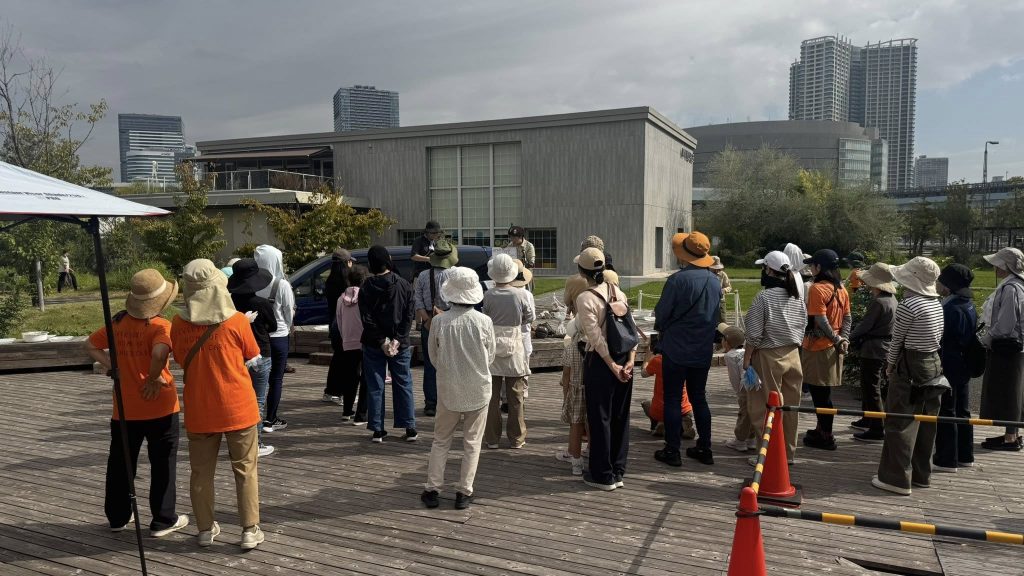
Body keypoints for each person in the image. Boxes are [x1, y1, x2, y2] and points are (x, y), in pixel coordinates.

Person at [85, 268, 188, 537]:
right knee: (162, 464)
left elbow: (90, 345)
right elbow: (160, 352)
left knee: (121, 463)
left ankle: (118, 516)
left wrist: (111, 366)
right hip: (160, 405)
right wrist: (153, 377)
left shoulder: (117, 324)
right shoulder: (161, 325)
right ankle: (163, 519)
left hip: (125, 406)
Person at [170, 259, 264, 549]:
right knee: (245, 469)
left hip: (200, 407)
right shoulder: (237, 321)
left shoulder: (178, 324)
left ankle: (204, 529)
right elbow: (252, 354)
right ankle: (249, 530)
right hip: (238, 405)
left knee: (201, 473)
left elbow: (180, 358)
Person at [420, 267, 496, 511]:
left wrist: (449, 369)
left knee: (441, 440)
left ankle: (433, 488)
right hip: (478, 387)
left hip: (448, 387)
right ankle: (464, 491)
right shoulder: (484, 322)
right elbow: (490, 356)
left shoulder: (439, 322)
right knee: (472, 443)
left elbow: (433, 357)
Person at [873, 256, 945, 496]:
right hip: (933, 362)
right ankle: (921, 475)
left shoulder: (909, 305)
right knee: (926, 421)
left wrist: (890, 365)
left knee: (900, 421)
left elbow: (897, 341)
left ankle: (896, 478)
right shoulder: (936, 303)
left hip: (910, 364)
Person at [654, 232, 720, 466]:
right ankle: (705, 447)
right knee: (699, 397)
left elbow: (662, 314)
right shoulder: (715, 281)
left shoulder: (677, 280)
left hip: (676, 348)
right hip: (702, 348)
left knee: (672, 398)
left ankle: (672, 450)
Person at [575, 247, 638, 490]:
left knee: (600, 416)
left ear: (582, 271)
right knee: (621, 415)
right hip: (625, 356)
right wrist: (630, 360)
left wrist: (612, 365)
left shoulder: (585, 298)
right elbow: (630, 329)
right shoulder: (617, 291)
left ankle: (602, 474)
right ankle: (618, 469)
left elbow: (596, 338)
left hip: (601, 362)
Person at [743, 251, 805, 463]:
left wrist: (747, 359)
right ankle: (788, 453)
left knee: (765, 407)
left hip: (769, 355)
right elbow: (803, 325)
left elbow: (753, 334)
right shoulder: (796, 295)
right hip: (793, 354)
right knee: (790, 407)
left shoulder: (763, 297)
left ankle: (769, 457)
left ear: (768, 270)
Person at [359, 246, 417, 443]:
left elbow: (366, 318)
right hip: (400, 342)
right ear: (388, 259)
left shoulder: (366, 287)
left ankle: (378, 429)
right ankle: (410, 427)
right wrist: (397, 339)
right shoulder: (404, 284)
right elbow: (409, 316)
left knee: (375, 384)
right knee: (403, 383)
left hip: (373, 342)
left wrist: (382, 341)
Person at [801, 249, 852, 451]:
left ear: (819, 267)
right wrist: (843, 338)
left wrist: (837, 339)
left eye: (813, 265)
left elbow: (820, 320)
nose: (811, 268)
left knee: (820, 395)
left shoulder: (817, 288)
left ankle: (826, 435)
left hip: (819, 347)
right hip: (834, 348)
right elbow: (847, 317)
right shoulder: (841, 289)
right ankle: (821, 428)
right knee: (824, 393)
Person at [482, 254, 535, 449]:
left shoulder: (488, 294)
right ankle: (517, 438)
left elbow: (485, 317)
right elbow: (530, 317)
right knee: (516, 396)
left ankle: (492, 438)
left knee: (492, 397)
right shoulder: (520, 294)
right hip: (515, 343)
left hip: (493, 345)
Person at [228, 258, 278, 458]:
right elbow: (273, 326)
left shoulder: (229, 303)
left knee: (237, 399)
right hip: (260, 352)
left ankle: (237, 442)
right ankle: (255, 443)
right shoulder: (261, 303)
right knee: (257, 400)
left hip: (235, 354)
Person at [932, 264, 978, 470]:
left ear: (948, 286)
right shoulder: (968, 305)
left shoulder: (950, 309)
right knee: (963, 410)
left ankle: (946, 458)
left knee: (947, 410)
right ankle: (965, 454)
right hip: (964, 362)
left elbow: (943, 338)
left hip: (950, 362)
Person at [979, 247, 1024, 451]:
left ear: (1005, 266)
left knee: (1009, 391)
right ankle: (1012, 434)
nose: (995, 268)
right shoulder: (1019, 285)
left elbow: (1005, 324)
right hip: (1018, 347)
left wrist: (986, 339)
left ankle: (1011, 438)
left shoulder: (1010, 288)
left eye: (997, 264)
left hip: (1008, 348)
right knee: (1015, 390)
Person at [849, 263, 898, 443]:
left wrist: (847, 338)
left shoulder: (878, 302)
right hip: (884, 347)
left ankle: (877, 427)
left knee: (871, 387)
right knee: (870, 385)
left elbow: (865, 326)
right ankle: (868, 418)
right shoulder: (892, 299)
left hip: (873, 349)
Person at [414, 238, 458, 417]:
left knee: (430, 364)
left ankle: (431, 403)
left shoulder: (423, 275)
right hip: (451, 320)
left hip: (429, 321)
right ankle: (450, 401)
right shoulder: (455, 274)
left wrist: (426, 319)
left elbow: (417, 300)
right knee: (452, 362)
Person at [254, 245, 294, 433]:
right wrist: (288, 326)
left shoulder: (251, 284)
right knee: (276, 379)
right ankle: (271, 419)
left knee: (257, 380)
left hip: (257, 336)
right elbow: (288, 312)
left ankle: (255, 419)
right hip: (279, 336)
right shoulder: (281, 284)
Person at [640, 344, 696, 440]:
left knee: (645, 403)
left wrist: (647, 359)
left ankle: (660, 423)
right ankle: (684, 423)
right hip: (684, 409)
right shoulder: (685, 360)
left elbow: (643, 374)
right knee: (684, 403)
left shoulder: (658, 360)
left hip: (661, 409)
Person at [338, 265, 370, 423]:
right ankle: (361, 415)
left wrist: (344, 337)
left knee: (350, 376)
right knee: (366, 377)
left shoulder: (341, 298)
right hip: (364, 341)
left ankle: (347, 410)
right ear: (364, 280)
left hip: (347, 341)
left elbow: (339, 320)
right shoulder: (366, 296)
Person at [718, 324, 758, 452]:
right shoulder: (745, 352)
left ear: (727, 342)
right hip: (756, 384)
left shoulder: (730, 356)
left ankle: (740, 440)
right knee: (753, 411)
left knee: (744, 413)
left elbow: (735, 378)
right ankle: (751, 438)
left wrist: (738, 392)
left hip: (744, 387)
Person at [323, 248, 355, 404]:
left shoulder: (330, 281)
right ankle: (339, 393)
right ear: (345, 263)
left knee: (338, 358)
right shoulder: (346, 283)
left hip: (334, 324)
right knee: (345, 360)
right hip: (345, 325)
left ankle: (331, 391)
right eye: (350, 261)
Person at [510, 259, 536, 399]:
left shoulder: (499, 293)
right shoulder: (526, 294)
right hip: (523, 334)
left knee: (508, 367)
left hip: (507, 335)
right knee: (524, 365)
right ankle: (523, 393)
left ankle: (506, 396)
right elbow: (532, 317)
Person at [710, 256, 732, 324]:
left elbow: (729, 287)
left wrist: (723, 290)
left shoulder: (723, 274)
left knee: (723, 320)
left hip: (720, 300)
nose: (716, 270)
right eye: (714, 268)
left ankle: (723, 331)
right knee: (709, 320)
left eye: (718, 268)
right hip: (708, 300)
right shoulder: (706, 274)